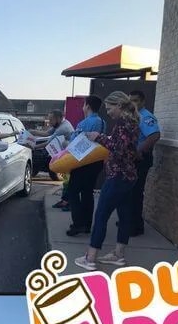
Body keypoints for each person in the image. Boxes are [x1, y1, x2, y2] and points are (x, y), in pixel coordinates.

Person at [73, 91, 140, 271]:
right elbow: (125, 148)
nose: (108, 112)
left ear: (119, 106)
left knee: (101, 215)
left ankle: (91, 258)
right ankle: (119, 255)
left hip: (117, 177)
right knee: (125, 216)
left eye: (110, 108)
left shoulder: (123, 124)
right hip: (129, 176)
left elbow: (118, 149)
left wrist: (99, 137)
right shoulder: (132, 122)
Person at [65, 95, 107, 237]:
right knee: (88, 193)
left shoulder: (84, 123)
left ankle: (77, 224)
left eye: (83, 105)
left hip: (82, 162)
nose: (83, 107)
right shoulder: (102, 122)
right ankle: (87, 224)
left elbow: (73, 142)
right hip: (96, 162)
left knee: (73, 192)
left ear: (87, 106)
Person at [128, 90, 161, 237]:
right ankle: (128, 220)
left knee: (135, 193)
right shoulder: (134, 115)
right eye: (131, 100)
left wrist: (138, 151)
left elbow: (154, 135)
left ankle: (136, 226)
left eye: (135, 100)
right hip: (132, 159)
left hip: (141, 160)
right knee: (129, 192)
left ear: (142, 101)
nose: (132, 103)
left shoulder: (146, 117)